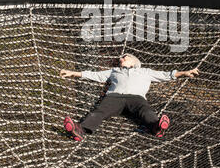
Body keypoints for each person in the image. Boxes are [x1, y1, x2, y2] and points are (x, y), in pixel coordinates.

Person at [61, 54, 199, 141]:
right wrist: (73, 73)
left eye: (125, 57)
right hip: (114, 97)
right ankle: (79, 130)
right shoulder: (114, 71)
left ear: (134, 62)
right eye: (120, 58)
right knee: (99, 112)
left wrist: (185, 73)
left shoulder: (145, 72)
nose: (121, 59)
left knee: (146, 111)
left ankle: (157, 127)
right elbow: (95, 75)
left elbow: (166, 75)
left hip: (136, 98)